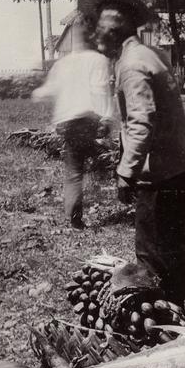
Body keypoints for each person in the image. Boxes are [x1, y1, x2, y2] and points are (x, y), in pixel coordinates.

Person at [79, 0, 185, 309]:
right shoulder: (148, 54)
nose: (95, 37)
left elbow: (143, 121)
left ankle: (164, 320)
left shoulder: (131, 66)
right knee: (172, 247)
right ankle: (176, 311)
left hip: (158, 174)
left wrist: (126, 171)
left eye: (99, 31)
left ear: (113, 32)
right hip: (177, 166)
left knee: (152, 251)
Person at [31, 13, 113, 230]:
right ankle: (108, 179)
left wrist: (38, 93)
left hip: (67, 123)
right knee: (97, 157)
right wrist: (106, 117)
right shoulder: (98, 60)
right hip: (87, 120)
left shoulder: (63, 63)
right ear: (92, 36)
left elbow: (51, 89)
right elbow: (100, 90)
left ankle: (74, 215)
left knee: (74, 169)